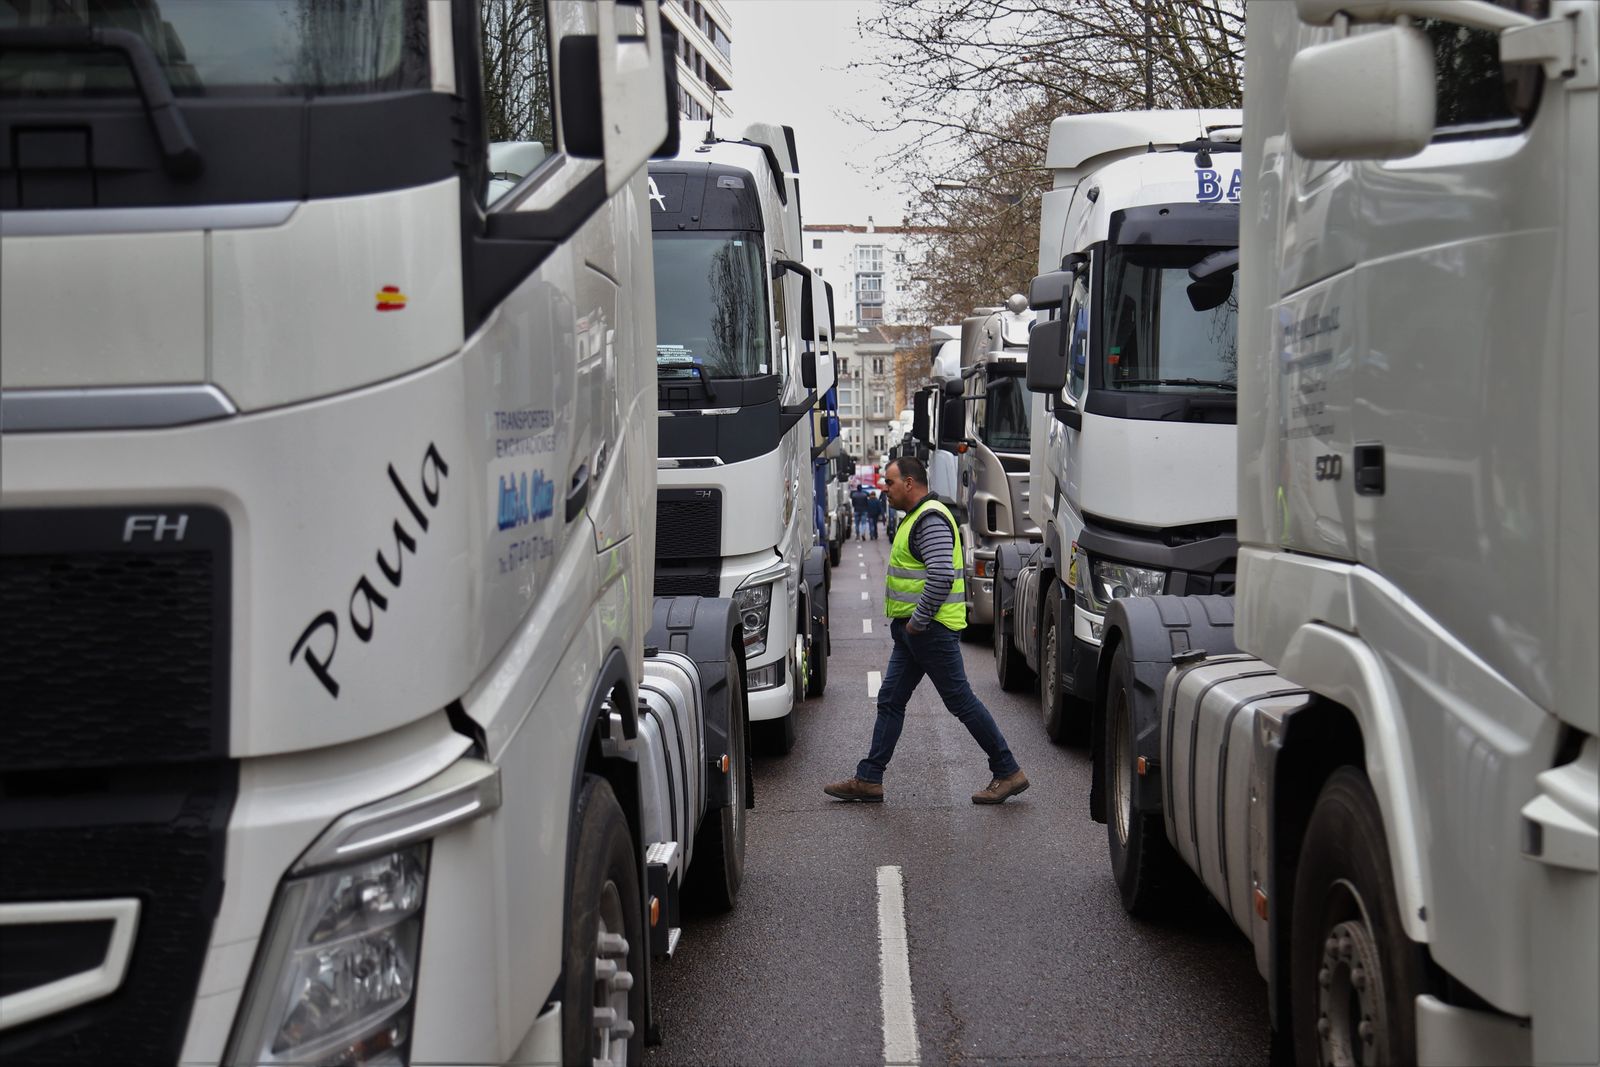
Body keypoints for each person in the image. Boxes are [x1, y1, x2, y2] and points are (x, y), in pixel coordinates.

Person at [824, 457, 1029, 805]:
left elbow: (941, 575)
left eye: (889, 482)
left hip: (929, 630)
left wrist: (918, 622)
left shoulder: (929, 519)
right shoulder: (915, 517)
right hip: (914, 634)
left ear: (909, 483)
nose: (884, 489)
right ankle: (869, 778)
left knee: (960, 700)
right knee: (890, 700)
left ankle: (1008, 770)